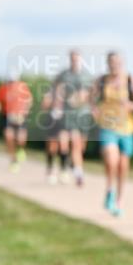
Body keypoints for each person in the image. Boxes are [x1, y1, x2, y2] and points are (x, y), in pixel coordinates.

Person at [92, 51, 133, 217]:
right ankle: (109, 189)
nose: (114, 66)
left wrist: (131, 105)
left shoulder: (131, 81)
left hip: (127, 128)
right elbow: (90, 98)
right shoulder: (102, 81)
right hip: (108, 126)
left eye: (117, 63)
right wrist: (93, 109)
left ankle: (119, 200)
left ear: (122, 64)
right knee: (112, 160)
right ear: (107, 64)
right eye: (111, 63)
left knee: (123, 166)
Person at [50, 49, 93, 186]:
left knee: (80, 146)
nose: (74, 60)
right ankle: (75, 172)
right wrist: (57, 106)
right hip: (67, 114)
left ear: (80, 59)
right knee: (70, 141)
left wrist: (84, 100)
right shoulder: (64, 74)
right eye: (72, 58)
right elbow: (57, 89)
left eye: (77, 58)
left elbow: (90, 93)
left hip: (82, 115)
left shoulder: (86, 76)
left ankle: (72, 165)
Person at [0, 74, 32, 173]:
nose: (12, 84)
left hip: (20, 116)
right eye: (10, 82)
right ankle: (13, 161)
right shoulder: (3, 89)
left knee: (21, 139)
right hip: (7, 116)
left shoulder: (23, 87)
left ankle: (20, 150)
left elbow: (29, 99)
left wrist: (26, 110)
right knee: (9, 137)